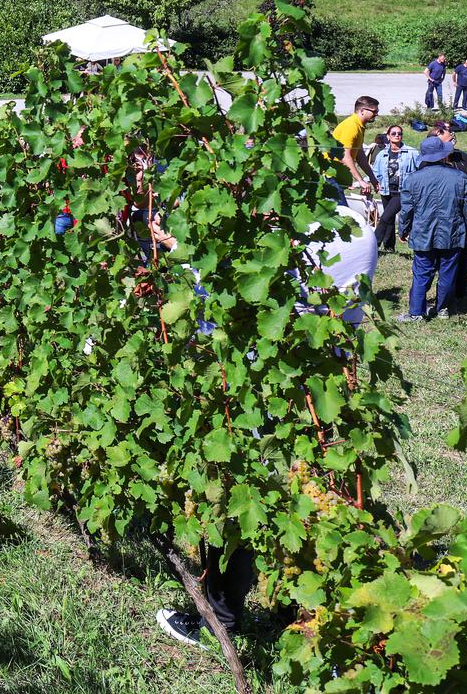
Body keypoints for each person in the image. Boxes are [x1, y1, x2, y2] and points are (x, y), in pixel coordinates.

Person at [157, 199, 376, 649]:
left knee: (241, 496)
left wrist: (181, 252)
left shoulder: (281, 238)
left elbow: (222, 301)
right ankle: (306, 622)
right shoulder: (360, 228)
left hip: (264, 390)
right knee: (312, 505)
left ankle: (220, 622)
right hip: (325, 392)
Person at [398, 135, 467, 321]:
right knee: (448, 271)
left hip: (423, 233)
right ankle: (443, 309)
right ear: (443, 155)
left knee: (422, 272)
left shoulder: (413, 179)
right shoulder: (460, 177)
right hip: (452, 232)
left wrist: (403, 230)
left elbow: (407, 209)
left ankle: (416, 313)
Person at [368, 125, 419, 253]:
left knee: (385, 217)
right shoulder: (382, 154)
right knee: (389, 219)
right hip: (386, 190)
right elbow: (375, 171)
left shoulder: (412, 153)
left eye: (399, 133)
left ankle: (373, 246)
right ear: (388, 136)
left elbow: (421, 169)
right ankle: (389, 247)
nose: (397, 135)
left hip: (402, 192)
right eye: (394, 133)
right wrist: (362, 182)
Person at [330, 96, 379, 198]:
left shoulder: (359, 125)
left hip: (337, 176)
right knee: (341, 211)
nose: (376, 114)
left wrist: (372, 177)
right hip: (329, 176)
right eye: (374, 111)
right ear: (362, 111)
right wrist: (360, 180)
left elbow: (360, 155)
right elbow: (344, 156)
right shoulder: (351, 126)